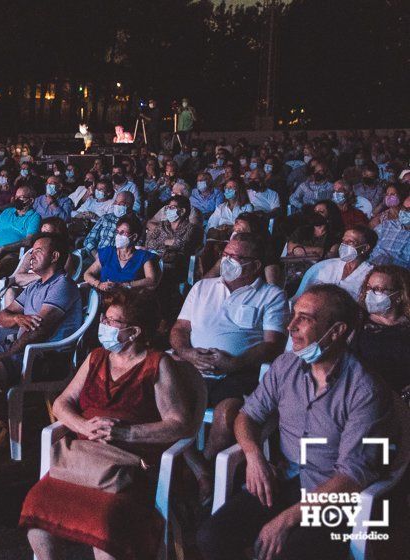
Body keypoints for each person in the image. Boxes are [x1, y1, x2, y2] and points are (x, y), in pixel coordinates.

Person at [197, 285, 393, 560]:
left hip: (332, 499)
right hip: (285, 479)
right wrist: (254, 457)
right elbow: (247, 415)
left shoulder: (365, 390)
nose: (291, 326)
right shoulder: (285, 366)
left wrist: (286, 519)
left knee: (287, 552)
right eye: (293, 315)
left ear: (336, 331)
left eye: (306, 318)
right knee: (211, 537)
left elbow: (351, 477)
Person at [21, 288, 196, 560]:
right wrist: (83, 425)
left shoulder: (156, 365)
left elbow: (179, 424)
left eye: (112, 322)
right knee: (37, 519)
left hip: (127, 461)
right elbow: (61, 403)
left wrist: (126, 432)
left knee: (105, 531)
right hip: (80, 458)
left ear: (135, 332)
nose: (103, 325)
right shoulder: (96, 357)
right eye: (104, 318)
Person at [171, 232, 287, 498]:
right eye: (227, 255)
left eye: (237, 257)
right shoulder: (203, 287)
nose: (228, 261)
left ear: (255, 265)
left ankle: (208, 469)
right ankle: (200, 471)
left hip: (239, 371)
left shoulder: (271, 296)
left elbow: (273, 344)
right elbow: (179, 328)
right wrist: (187, 353)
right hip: (191, 365)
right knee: (164, 405)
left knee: (225, 416)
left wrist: (235, 363)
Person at [0, 233, 82, 453]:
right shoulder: (35, 287)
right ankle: (7, 418)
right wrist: (16, 318)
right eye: (31, 250)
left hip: (44, 356)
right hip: (18, 348)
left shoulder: (62, 285)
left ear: (55, 256)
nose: (31, 255)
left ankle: (12, 426)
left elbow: (39, 331)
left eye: (38, 251)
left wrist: (6, 354)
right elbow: (2, 316)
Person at [351, 265, 410, 393]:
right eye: (368, 288)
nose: (370, 294)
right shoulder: (356, 322)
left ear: (399, 296)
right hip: (362, 393)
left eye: (378, 289)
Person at [293, 225, 377, 301]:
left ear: (365, 248)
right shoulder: (324, 266)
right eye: (343, 241)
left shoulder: (372, 274)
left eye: (351, 242)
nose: (344, 245)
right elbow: (299, 296)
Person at [203, 213, 283, 287]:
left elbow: (273, 289)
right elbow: (205, 283)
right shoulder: (228, 255)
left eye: (240, 231)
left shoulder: (267, 257)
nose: (235, 234)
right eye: (234, 230)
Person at [83, 216, 160, 293]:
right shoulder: (108, 252)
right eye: (117, 232)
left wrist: (125, 285)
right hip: (103, 295)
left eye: (122, 233)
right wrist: (99, 284)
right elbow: (87, 274)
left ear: (134, 237)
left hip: (128, 298)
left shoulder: (143, 256)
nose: (118, 236)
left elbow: (151, 280)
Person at [0, 186, 41, 277]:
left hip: (12, 252)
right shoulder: (7, 212)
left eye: (21, 197)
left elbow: (28, 241)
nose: (16, 199)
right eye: (16, 197)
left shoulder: (34, 217)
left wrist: (4, 248)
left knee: (3, 267)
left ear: (31, 200)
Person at [82, 191, 140, 257]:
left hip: (119, 260)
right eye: (116, 202)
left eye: (121, 204)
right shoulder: (106, 218)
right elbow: (89, 239)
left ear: (130, 205)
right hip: (97, 256)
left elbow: (137, 247)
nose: (117, 205)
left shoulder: (136, 222)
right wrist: (97, 256)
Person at [146, 195, 203, 261]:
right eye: (168, 208)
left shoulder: (191, 228)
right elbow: (148, 243)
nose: (168, 210)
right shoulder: (162, 224)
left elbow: (183, 246)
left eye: (172, 208)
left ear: (182, 211)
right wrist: (166, 242)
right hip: (156, 259)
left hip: (177, 264)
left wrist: (158, 243)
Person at [370, 194, 410, 268]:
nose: (405, 212)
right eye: (404, 208)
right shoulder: (387, 225)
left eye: (409, 210)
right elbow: (369, 243)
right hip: (371, 266)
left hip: (398, 275)